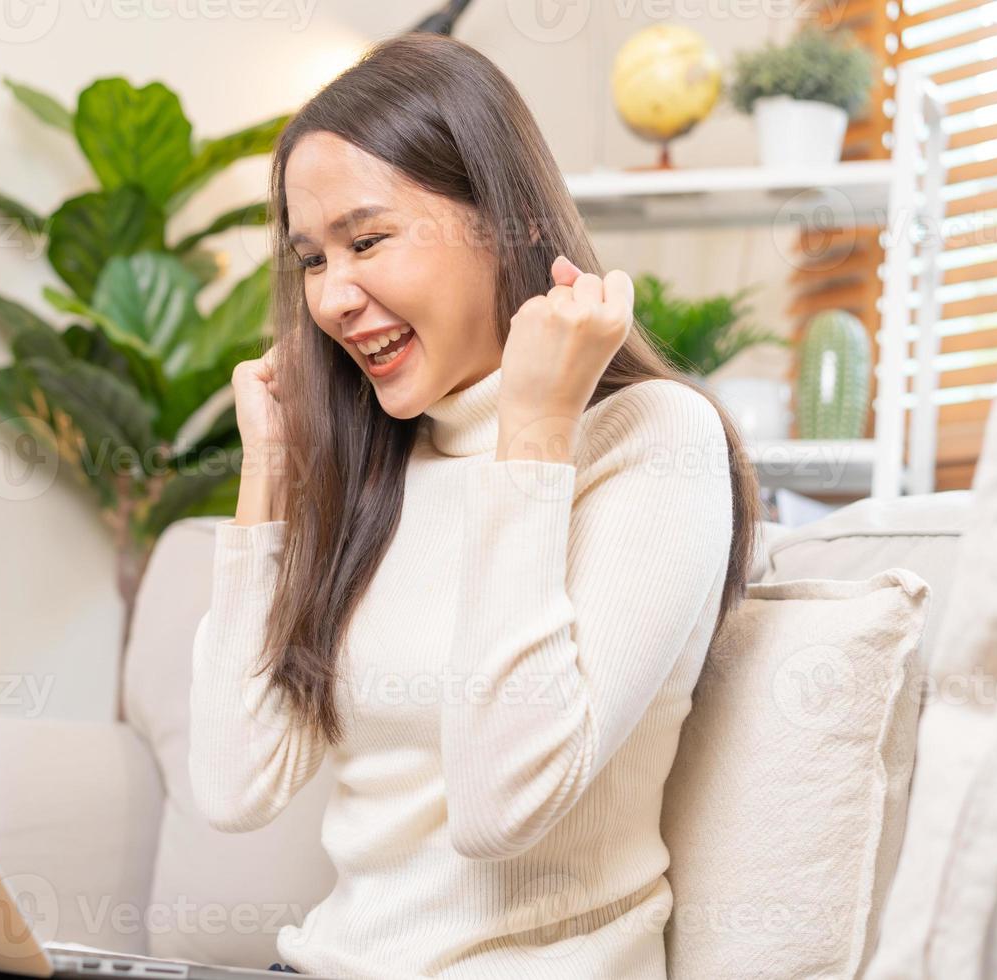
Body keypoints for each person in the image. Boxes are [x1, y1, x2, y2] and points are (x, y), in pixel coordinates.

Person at [189, 31, 762, 980]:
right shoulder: (380, 463)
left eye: (366, 241)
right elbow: (233, 784)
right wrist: (273, 478)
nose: (333, 299)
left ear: (502, 221)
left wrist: (533, 436)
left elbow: (500, 807)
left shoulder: (654, 440)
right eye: (312, 260)